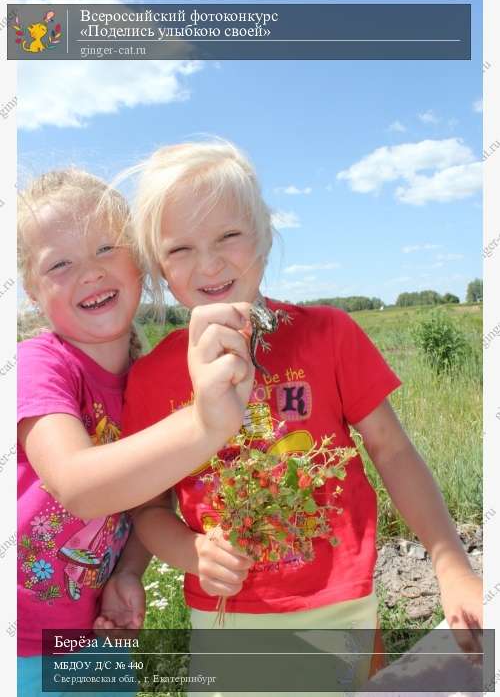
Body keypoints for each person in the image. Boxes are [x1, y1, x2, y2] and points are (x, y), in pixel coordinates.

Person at [122, 140, 483, 695]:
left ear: (264, 234)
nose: (210, 263)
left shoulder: (331, 335)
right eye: (180, 249)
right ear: (156, 265)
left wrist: (450, 562)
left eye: (229, 236)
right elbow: (148, 509)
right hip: (223, 616)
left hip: (339, 605)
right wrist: (189, 552)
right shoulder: (152, 377)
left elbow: (392, 450)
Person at [17, 168, 255, 697]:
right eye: (60, 264)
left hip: (97, 632)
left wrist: (128, 572)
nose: (89, 272)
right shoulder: (39, 365)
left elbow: (150, 501)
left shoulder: (150, 378)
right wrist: (201, 422)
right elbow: (79, 485)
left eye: (105, 248)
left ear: (141, 264)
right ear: (33, 292)